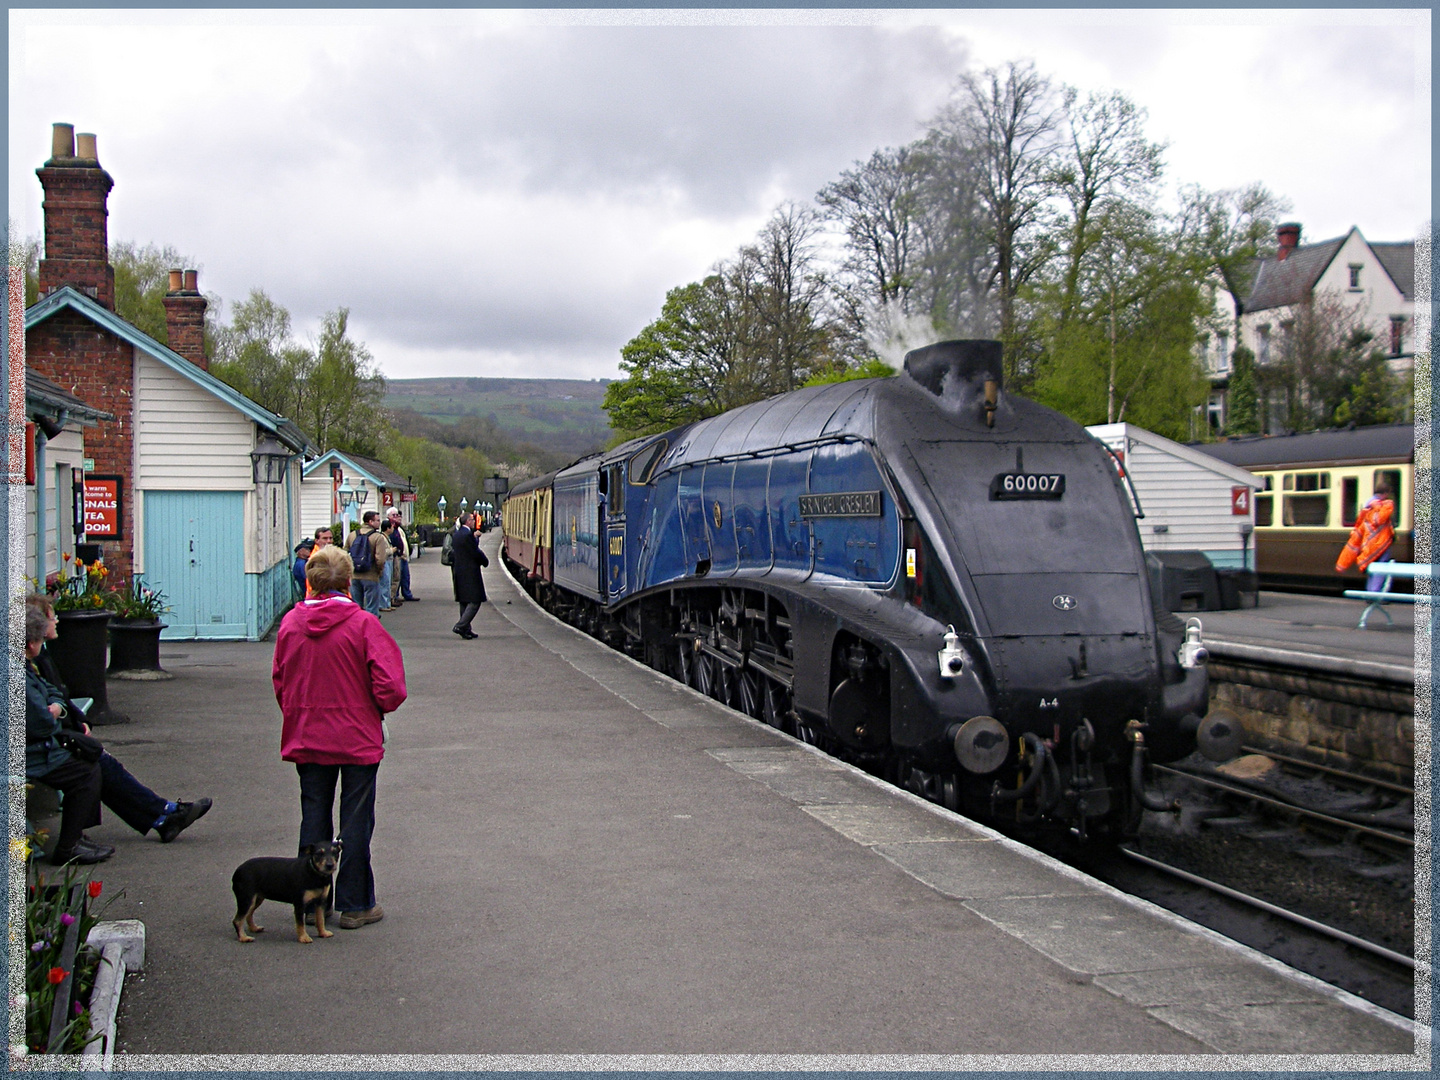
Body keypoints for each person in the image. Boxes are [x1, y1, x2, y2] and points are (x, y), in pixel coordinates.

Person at [272, 544, 407, 929]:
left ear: (311, 581)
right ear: (348, 581)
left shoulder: (291, 624)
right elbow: (391, 687)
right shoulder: (364, 624)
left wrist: (299, 712)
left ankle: (312, 902)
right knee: (355, 821)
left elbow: (281, 680)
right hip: (356, 736)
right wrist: (373, 706)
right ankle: (356, 903)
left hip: (308, 734)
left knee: (313, 815)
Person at [25, 597, 212, 865]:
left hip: (53, 733)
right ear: (35, 633)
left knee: (95, 757)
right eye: (52, 618)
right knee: (91, 764)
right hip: (41, 742)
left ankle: (163, 816)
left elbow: (56, 694)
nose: (56, 622)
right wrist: (61, 715)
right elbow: (43, 713)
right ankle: (159, 816)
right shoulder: (29, 661)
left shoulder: (38, 658)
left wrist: (65, 714)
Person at [1336, 479, 1397, 591]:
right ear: (1385, 493)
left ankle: (1370, 593)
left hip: (1368, 544)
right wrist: (1379, 507)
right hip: (1380, 544)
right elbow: (1379, 520)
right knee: (1381, 570)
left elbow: (1359, 526)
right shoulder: (1383, 506)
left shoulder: (1366, 508)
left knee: (1372, 569)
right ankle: (1375, 594)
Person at [450, 511, 488, 640]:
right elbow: (474, 551)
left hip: (459, 571)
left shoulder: (457, 534)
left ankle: (466, 630)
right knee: (475, 601)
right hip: (470, 572)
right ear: (467, 521)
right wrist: (485, 561)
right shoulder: (467, 535)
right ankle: (460, 625)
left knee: (464, 601)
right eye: (472, 520)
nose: (473, 522)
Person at [346, 510, 388, 616]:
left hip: (354, 575)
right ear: (370, 522)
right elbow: (380, 558)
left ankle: (356, 628)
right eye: (377, 520)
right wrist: (379, 571)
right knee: (372, 607)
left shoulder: (352, 535)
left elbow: (345, 553)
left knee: (356, 607)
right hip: (370, 574)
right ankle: (370, 628)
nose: (380, 522)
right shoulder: (377, 537)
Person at [387, 508, 418, 602]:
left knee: (405, 576)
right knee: (396, 577)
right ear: (388, 516)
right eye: (394, 515)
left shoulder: (398, 528)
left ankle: (406, 593)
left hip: (403, 556)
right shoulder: (390, 528)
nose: (397, 517)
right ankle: (394, 596)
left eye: (398, 515)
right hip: (397, 556)